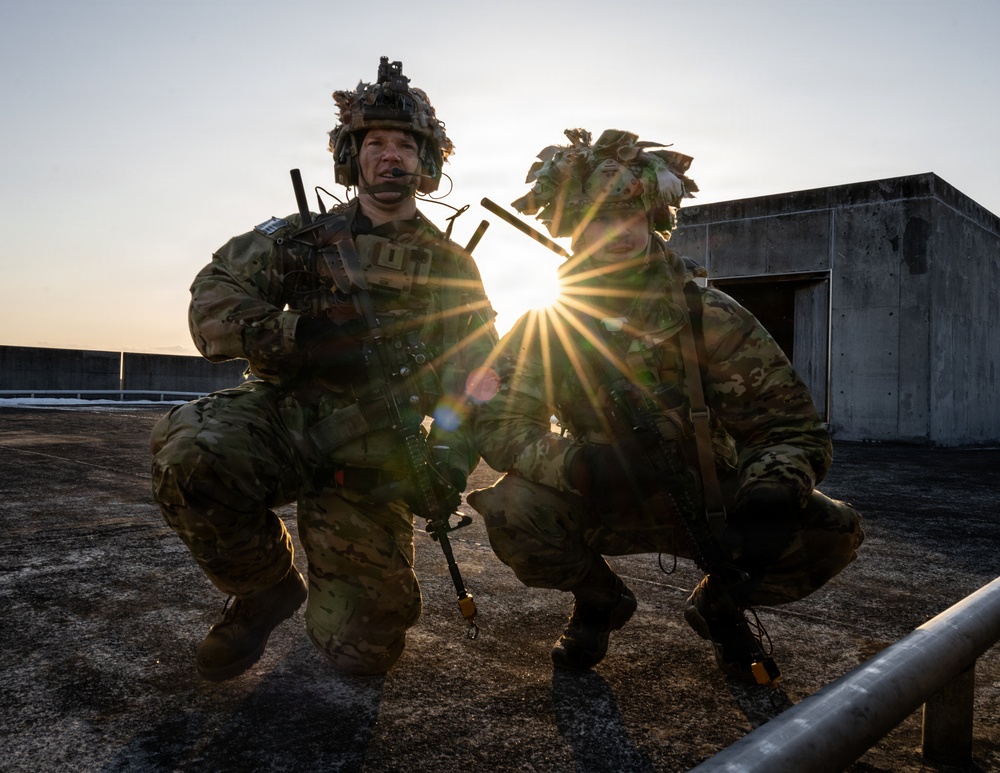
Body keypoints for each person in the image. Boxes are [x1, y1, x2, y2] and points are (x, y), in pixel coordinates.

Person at [468, 128, 863, 677]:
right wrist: (578, 464)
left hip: (707, 498)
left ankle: (721, 607)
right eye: (597, 221)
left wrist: (772, 487)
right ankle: (599, 600)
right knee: (512, 510)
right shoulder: (547, 323)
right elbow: (501, 423)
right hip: (600, 495)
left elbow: (788, 425)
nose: (617, 234)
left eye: (630, 216)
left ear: (654, 218)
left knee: (829, 530)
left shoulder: (709, 315)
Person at [150, 57, 497, 680]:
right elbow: (211, 303)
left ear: (428, 161)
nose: (391, 157)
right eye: (376, 144)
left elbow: (474, 378)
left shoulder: (450, 267)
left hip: (374, 449)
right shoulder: (301, 236)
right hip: (280, 416)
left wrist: (447, 455)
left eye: (405, 145)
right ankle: (265, 588)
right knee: (192, 453)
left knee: (363, 653)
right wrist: (300, 334)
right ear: (351, 157)